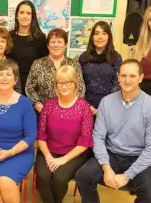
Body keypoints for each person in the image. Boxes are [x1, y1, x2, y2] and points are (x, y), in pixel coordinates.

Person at [75, 59, 151, 203]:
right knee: (82, 176)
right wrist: (106, 167)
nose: (127, 80)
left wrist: (127, 175)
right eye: (124, 76)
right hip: (111, 155)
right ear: (118, 77)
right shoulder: (106, 102)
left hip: (138, 157)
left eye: (132, 76)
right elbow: (98, 137)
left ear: (140, 78)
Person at [0, 59, 37, 203]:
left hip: (18, 152)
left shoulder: (25, 103)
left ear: (15, 79)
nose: (4, 78)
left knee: (5, 181)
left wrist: (9, 152)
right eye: (1, 74)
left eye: (9, 74)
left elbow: (31, 136)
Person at [36, 65, 93, 203]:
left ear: (75, 84)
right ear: (56, 85)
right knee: (43, 177)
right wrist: (49, 157)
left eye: (68, 82)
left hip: (74, 153)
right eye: (60, 83)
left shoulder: (84, 107)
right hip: (49, 150)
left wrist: (63, 160)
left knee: (59, 178)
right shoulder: (49, 105)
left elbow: (85, 141)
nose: (64, 86)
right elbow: (41, 135)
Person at [26, 28, 85, 113]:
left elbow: (80, 89)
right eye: (53, 42)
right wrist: (40, 107)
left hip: (70, 113)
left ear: (65, 44)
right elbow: (29, 88)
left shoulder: (74, 64)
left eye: (59, 42)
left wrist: (71, 108)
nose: (56, 45)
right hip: (44, 112)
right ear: (48, 46)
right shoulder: (38, 64)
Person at [79, 21, 122, 116]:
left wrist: (104, 107)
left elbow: (118, 83)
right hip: (85, 107)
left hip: (109, 108)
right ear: (92, 37)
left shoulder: (115, 57)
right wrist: (87, 106)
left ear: (109, 37)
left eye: (104, 33)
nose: (100, 37)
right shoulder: (83, 57)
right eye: (96, 33)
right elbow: (79, 83)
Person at [8, 0, 49, 96]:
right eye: (21, 12)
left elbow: (44, 64)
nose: (25, 16)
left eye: (28, 13)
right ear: (17, 16)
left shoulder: (40, 38)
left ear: (32, 17)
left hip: (33, 88)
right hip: (11, 86)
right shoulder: (10, 36)